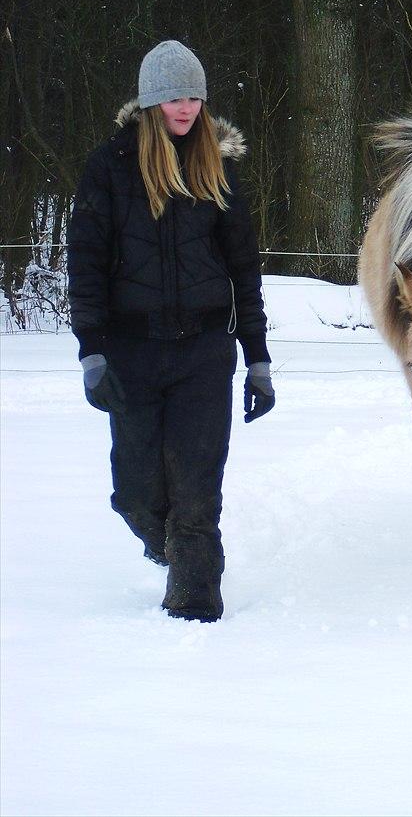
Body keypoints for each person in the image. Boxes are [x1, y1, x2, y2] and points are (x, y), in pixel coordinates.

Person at [68, 39, 274, 623]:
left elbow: (243, 269)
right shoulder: (108, 168)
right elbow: (84, 263)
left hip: (205, 354)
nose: (185, 108)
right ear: (151, 101)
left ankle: (195, 601)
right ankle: (172, 548)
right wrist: (92, 353)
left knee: (196, 495)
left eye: (194, 97)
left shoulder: (219, 168)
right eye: (173, 97)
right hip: (132, 353)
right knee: (135, 494)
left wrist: (256, 359)